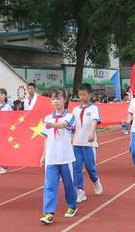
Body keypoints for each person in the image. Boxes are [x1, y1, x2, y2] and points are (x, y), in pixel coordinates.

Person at [39, 88, 77, 224]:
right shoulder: (47, 118)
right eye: (53, 99)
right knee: (49, 186)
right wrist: (43, 155)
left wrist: (52, 124)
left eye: (58, 98)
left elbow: (63, 125)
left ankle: (72, 206)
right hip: (51, 158)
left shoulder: (70, 116)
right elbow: (45, 138)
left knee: (69, 185)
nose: (55, 101)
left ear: (65, 100)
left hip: (66, 157)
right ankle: (48, 213)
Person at [71, 83, 102, 203]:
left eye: (84, 94)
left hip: (89, 144)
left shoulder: (94, 108)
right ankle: (80, 191)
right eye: (79, 94)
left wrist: (92, 133)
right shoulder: (75, 109)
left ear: (89, 95)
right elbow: (71, 124)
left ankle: (95, 181)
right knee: (77, 168)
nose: (81, 97)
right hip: (77, 143)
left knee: (90, 168)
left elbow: (95, 121)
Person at [0, 88, 13, 175]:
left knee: (5, 147)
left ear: (5, 96)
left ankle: (5, 166)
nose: (0, 96)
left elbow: (12, 118)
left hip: (5, 129)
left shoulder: (8, 107)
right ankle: (0, 163)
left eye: (2, 94)